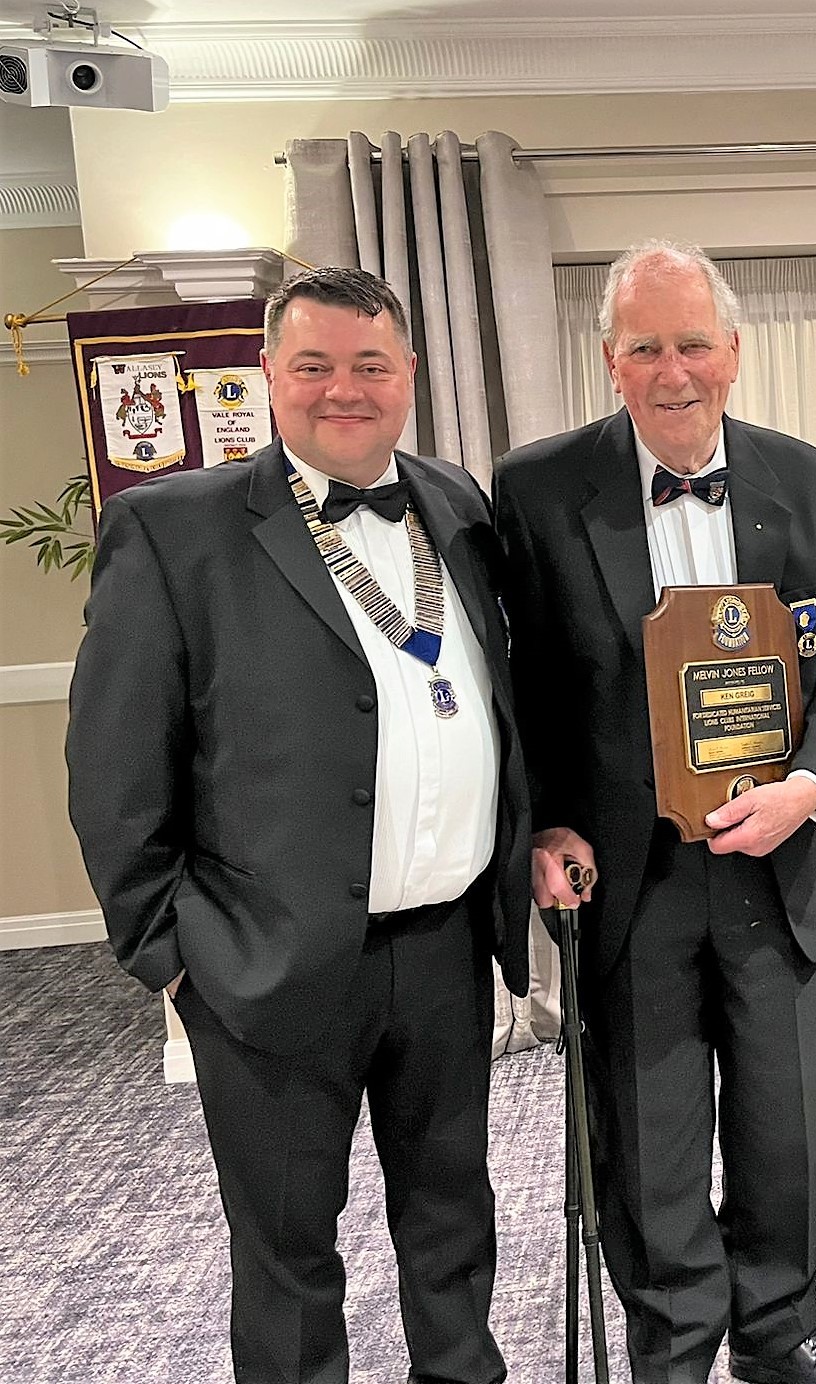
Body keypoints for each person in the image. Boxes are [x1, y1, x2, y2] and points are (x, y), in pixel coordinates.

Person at [65, 266, 531, 1384]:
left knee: (452, 1220)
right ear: (268, 373)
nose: (344, 389)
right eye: (314, 364)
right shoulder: (173, 532)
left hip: (444, 949)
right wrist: (172, 961)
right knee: (286, 1249)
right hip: (265, 961)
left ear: (408, 374)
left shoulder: (456, 503)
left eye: (371, 364)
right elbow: (113, 772)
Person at [492, 240, 816, 1384]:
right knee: (650, 1133)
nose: (674, 371)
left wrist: (806, 788)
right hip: (627, 876)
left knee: (779, 1125)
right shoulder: (536, 486)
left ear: (733, 352)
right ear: (610, 359)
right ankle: (672, 1340)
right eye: (646, 347)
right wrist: (542, 822)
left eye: (693, 344)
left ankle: (780, 1330)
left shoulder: (802, 478)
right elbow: (516, 683)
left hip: (773, 862)